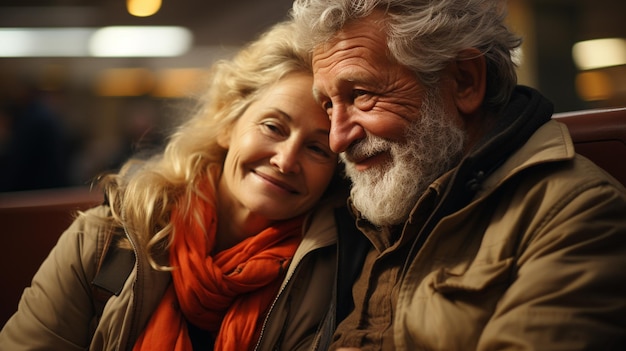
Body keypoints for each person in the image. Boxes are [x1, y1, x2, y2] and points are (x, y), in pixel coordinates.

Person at [289, 0, 626, 350]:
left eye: (361, 95)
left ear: (465, 82)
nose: (337, 138)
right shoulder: (367, 207)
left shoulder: (578, 214)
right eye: (328, 105)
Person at [0, 20, 348, 350]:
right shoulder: (100, 244)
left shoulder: (334, 278)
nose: (286, 160)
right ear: (227, 123)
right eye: (273, 127)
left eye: (317, 148)